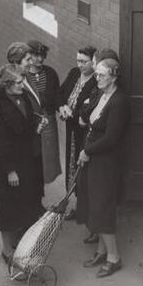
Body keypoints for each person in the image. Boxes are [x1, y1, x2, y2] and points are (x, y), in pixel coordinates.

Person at [76, 57, 130, 277]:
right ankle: (101, 251)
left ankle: (114, 257)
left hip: (106, 161)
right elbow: (88, 119)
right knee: (94, 203)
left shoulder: (119, 101)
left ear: (114, 76)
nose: (96, 78)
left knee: (103, 206)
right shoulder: (101, 94)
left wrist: (87, 151)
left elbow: (112, 138)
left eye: (101, 75)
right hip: (94, 158)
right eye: (96, 74)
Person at [0, 64, 44, 265]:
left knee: (25, 204)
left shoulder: (23, 98)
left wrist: (36, 126)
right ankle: (7, 249)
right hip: (8, 164)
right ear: (8, 84)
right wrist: (10, 170)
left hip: (26, 160)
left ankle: (22, 245)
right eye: (20, 82)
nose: (24, 85)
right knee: (8, 207)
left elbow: (25, 128)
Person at [59, 46, 97, 221]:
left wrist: (72, 114)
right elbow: (61, 93)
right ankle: (77, 204)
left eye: (84, 61)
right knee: (72, 166)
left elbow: (88, 110)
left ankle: (84, 208)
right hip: (71, 130)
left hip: (84, 133)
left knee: (83, 167)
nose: (80, 65)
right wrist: (63, 106)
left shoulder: (96, 81)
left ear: (93, 61)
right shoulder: (74, 73)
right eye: (78, 60)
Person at [26, 40, 62, 185]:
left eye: (42, 55)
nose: (40, 59)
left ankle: (41, 188)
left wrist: (61, 106)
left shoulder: (50, 73)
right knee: (31, 156)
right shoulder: (22, 75)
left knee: (47, 158)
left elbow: (57, 96)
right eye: (36, 56)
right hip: (30, 122)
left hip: (48, 121)